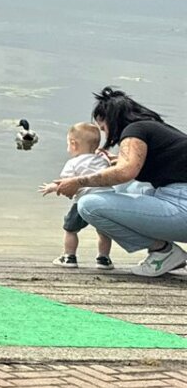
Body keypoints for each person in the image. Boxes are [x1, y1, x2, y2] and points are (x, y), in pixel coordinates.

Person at [50, 88, 187, 277]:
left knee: (88, 205)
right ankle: (162, 252)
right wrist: (117, 161)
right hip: (178, 197)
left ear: (111, 120)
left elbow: (125, 172)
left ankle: (163, 251)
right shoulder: (154, 128)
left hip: (182, 205)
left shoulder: (134, 131)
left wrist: (78, 181)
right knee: (123, 187)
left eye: (104, 128)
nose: (106, 136)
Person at [51, 122, 115, 268]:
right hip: (106, 200)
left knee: (70, 230)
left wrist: (52, 187)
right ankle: (104, 259)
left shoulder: (72, 163)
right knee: (104, 231)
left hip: (83, 201)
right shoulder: (103, 161)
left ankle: (69, 257)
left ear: (73, 144)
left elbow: (66, 183)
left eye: (68, 144)